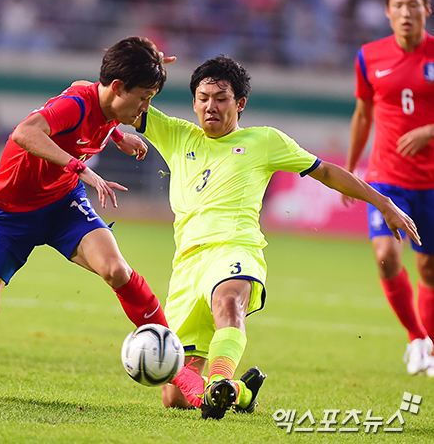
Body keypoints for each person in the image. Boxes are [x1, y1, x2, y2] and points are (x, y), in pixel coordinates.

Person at [131, 56, 421, 419]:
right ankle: (240, 393)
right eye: (203, 98)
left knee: (228, 302)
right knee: (174, 396)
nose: (211, 106)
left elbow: (326, 172)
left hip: (235, 248)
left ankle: (220, 379)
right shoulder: (175, 134)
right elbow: (117, 99)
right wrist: (144, 65)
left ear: (240, 103)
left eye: (221, 98)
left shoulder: (264, 140)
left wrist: (384, 203)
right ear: (193, 102)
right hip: (187, 265)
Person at [0, 36, 170, 394]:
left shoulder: (103, 104)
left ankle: (174, 363)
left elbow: (85, 87)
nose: (146, 108)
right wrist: (80, 168)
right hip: (9, 217)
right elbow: (24, 132)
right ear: (117, 87)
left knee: (116, 270)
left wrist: (117, 134)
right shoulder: (74, 106)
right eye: (144, 97)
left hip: (62, 205)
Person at [343, 0, 434, 376]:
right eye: (398, 5)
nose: (406, 12)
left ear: (426, 8)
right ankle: (417, 338)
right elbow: (363, 114)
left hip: (430, 183)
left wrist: (429, 131)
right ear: (387, 11)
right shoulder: (369, 56)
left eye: (413, 4)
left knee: (429, 270)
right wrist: (351, 167)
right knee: (386, 255)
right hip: (386, 179)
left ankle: (429, 349)